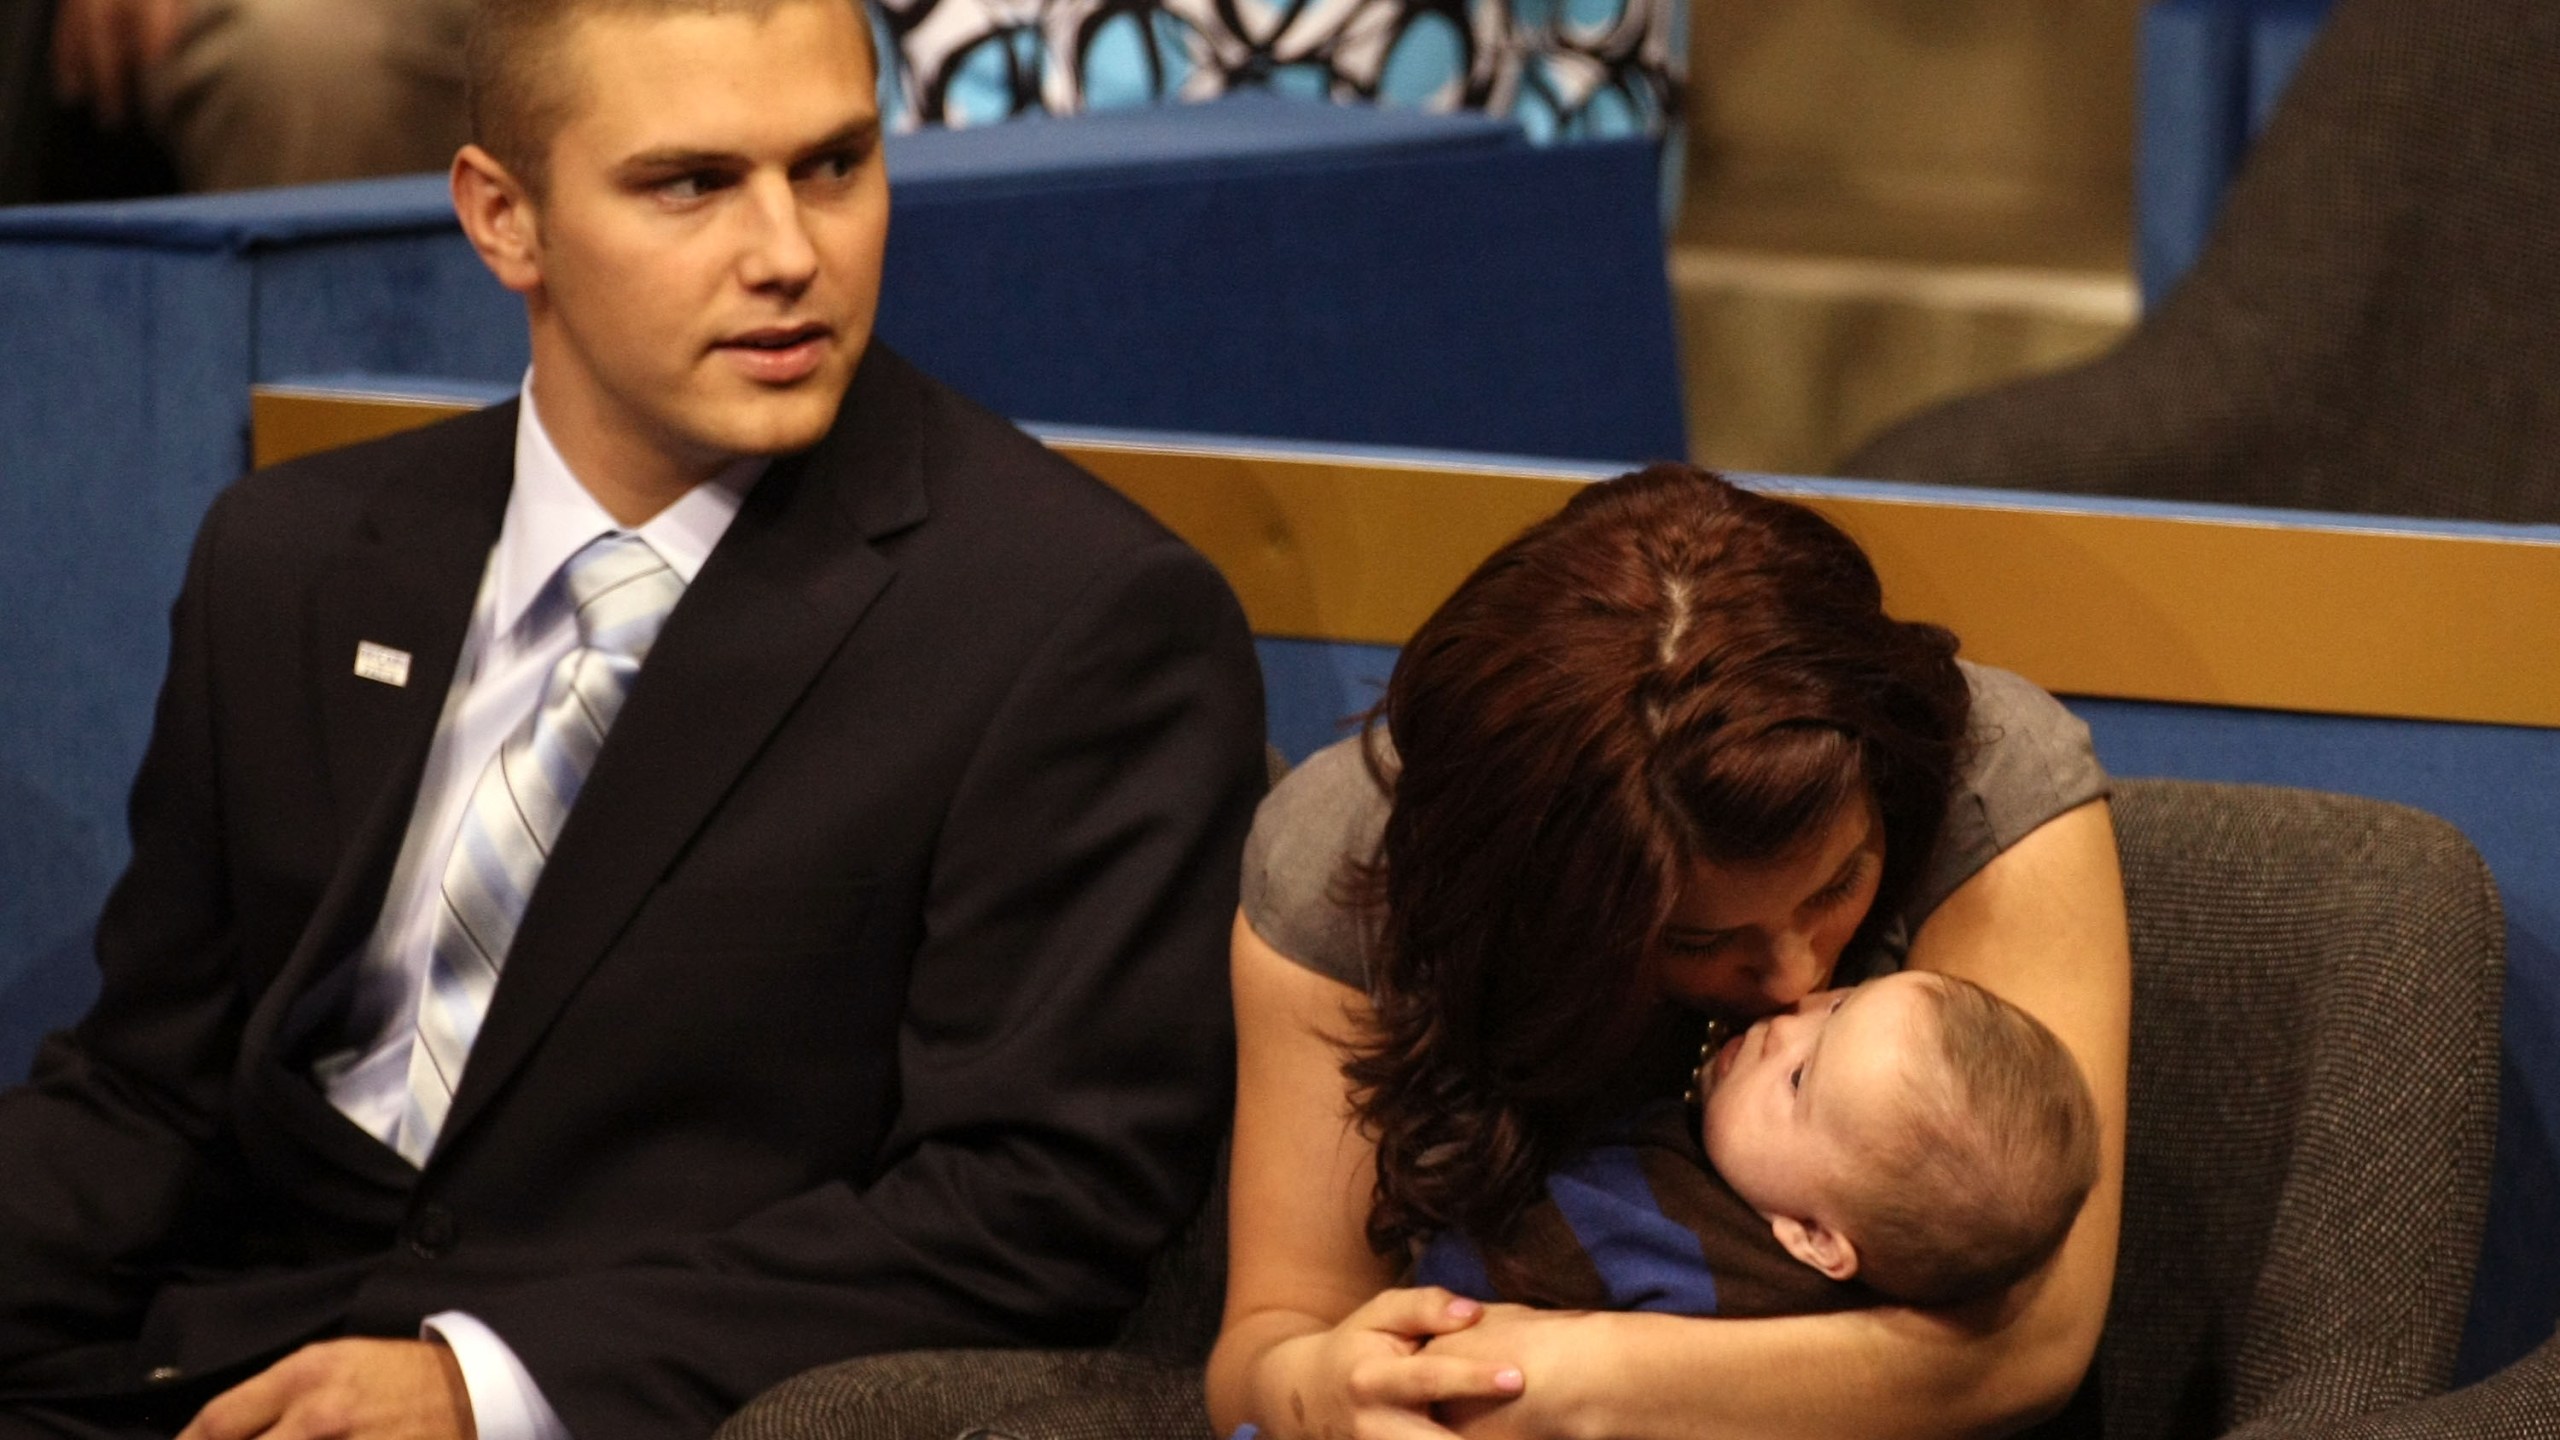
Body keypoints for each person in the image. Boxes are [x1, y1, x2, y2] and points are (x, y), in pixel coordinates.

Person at [0, 0, 1264, 1434]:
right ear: (503, 219)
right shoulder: (288, 555)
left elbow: (1031, 1212)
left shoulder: (1076, 620)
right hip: (200, 1367)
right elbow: (148, 1100)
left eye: (836, 166)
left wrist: (483, 1388)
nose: (790, 253)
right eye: (692, 184)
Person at [1210, 464, 2130, 1440]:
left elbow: (2030, 1337)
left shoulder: (1985, 784)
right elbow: (1269, 1342)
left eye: (1836, 884)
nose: (1794, 979)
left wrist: (1599, 1382)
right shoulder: (1343, 865)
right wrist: (1320, 1390)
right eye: (1695, 938)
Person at [1414, 971, 2102, 1318]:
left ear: (1812, 1236)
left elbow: (1453, 1296)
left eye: (1801, 1079)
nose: (1784, 1027)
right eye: (1840, 1004)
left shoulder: (1649, 1252)